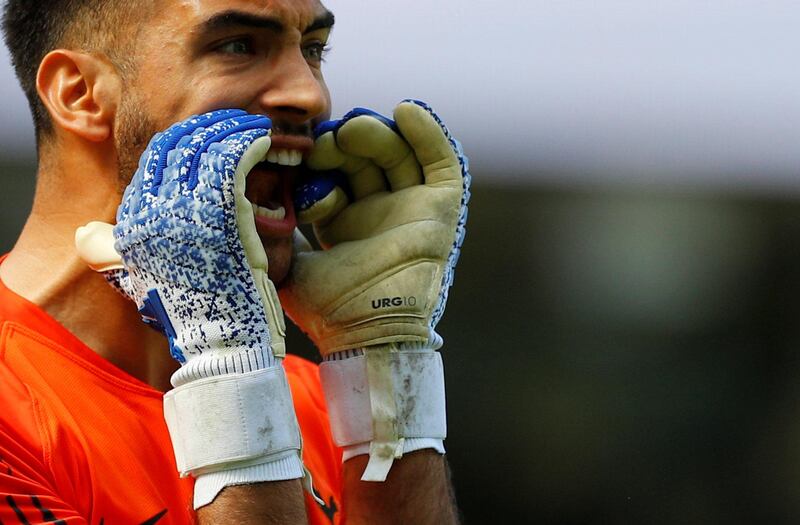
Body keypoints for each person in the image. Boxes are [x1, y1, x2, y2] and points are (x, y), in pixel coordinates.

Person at [0, 1, 467, 523]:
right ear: (79, 93)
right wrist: (234, 394)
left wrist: (388, 369)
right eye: (238, 45)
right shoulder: (10, 414)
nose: (309, 94)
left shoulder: (318, 402)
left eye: (313, 50)